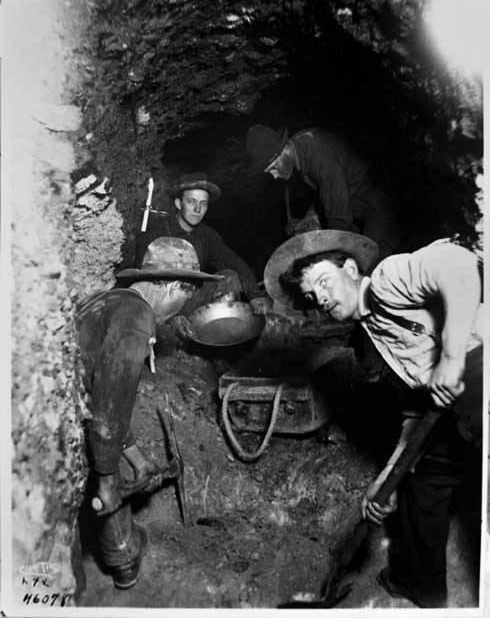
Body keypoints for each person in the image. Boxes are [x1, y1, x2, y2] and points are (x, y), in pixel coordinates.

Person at [266, 229, 482, 608]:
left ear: (351, 268)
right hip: (452, 407)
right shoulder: (374, 333)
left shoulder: (386, 281)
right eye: (313, 296)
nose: (322, 298)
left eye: (324, 282)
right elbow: (415, 413)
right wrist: (383, 484)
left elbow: (460, 264)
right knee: (424, 480)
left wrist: (451, 360)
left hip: (481, 369)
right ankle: (423, 587)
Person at [77, 237, 221, 589]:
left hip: (73, 411)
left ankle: (122, 556)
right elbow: (109, 402)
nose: (178, 311)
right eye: (184, 299)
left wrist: (136, 458)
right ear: (173, 286)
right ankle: (116, 563)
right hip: (59, 434)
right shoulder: (137, 316)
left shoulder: (110, 301)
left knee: (107, 462)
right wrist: (109, 478)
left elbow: (103, 394)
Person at [246, 125, 400, 260]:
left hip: (377, 205)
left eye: (273, 167)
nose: (274, 175)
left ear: (283, 150)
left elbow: (339, 218)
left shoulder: (319, 156)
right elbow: (325, 190)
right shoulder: (301, 149)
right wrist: (312, 216)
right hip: (354, 204)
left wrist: (324, 253)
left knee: (372, 267)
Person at [135, 172, 270, 326]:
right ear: (179, 204)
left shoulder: (207, 236)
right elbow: (143, 286)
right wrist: (170, 318)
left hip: (190, 300)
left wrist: (255, 295)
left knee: (229, 277)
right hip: (158, 308)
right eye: (191, 202)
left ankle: (222, 334)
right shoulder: (157, 233)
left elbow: (233, 262)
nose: (198, 209)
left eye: (203, 203)